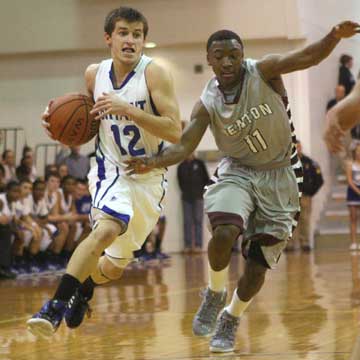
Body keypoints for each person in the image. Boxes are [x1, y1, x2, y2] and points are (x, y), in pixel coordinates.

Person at [126, 21, 359, 352]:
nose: (227, 63)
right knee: (223, 234)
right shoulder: (207, 101)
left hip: (281, 174)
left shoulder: (264, 71)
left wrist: (334, 36)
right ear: (209, 59)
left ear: (242, 56)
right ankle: (215, 292)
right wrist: (153, 160)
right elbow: (183, 147)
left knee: (256, 267)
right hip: (238, 171)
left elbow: (308, 56)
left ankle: (231, 316)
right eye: (219, 56)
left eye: (233, 55)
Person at [27, 6, 181, 337]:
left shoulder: (154, 74)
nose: (130, 40)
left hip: (148, 177)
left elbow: (174, 131)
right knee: (105, 230)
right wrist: (54, 122)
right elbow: (84, 117)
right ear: (108, 38)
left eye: (137, 35)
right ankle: (54, 306)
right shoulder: (94, 74)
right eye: (123, 33)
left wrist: (130, 111)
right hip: (109, 169)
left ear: (143, 41)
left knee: (111, 268)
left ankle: (84, 288)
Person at [286, 140, 323, 252]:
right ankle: (290, 244)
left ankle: (305, 243)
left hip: (305, 196)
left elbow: (319, 180)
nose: (297, 150)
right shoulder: (286, 163)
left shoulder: (309, 162)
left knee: (305, 220)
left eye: (299, 147)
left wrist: (310, 192)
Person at [177, 152, 209, 253]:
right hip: (186, 198)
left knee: (198, 221)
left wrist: (202, 192)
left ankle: (198, 246)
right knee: (187, 222)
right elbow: (180, 182)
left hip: (198, 197)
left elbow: (206, 179)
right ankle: (188, 246)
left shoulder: (199, 163)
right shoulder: (181, 166)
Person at [325, 80, 360, 154]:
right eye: (340, 92)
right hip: (339, 130)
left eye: (343, 92)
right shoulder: (332, 103)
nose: (342, 94)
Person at [346, 144, 360, 251]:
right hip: (353, 191)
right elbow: (350, 181)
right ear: (355, 152)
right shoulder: (350, 164)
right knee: (353, 218)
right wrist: (358, 191)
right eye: (358, 151)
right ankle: (354, 242)